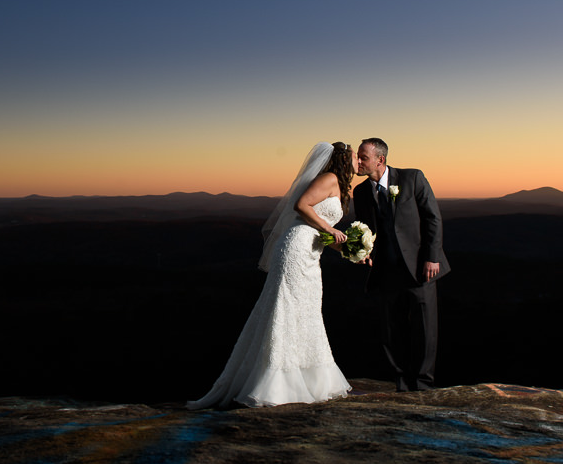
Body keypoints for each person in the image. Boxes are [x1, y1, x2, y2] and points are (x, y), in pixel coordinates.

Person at [187, 142, 355, 409]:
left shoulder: (338, 184)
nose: (358, 162)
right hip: (296, 248)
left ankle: (306, 378)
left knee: (307, 311)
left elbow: (323, 230)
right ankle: (277, 381)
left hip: (312, 251)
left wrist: (349, 250)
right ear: (343, 160)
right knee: (286, 308)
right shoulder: (329, 178)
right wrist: (330, 229)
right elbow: (302, 206)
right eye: (355, 157)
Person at [352, 138, 451, 392]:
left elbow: (433, 219)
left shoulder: (412, 178)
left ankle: (423, 385)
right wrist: (364, 251)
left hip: (420, 268)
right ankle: (402, 384)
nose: (358, 162)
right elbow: (367, 229)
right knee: (391, 331)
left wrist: (432, 257)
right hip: (385, 272)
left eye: (363, 157)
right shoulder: (361, 192)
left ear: (380, 160)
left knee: (425, 329)